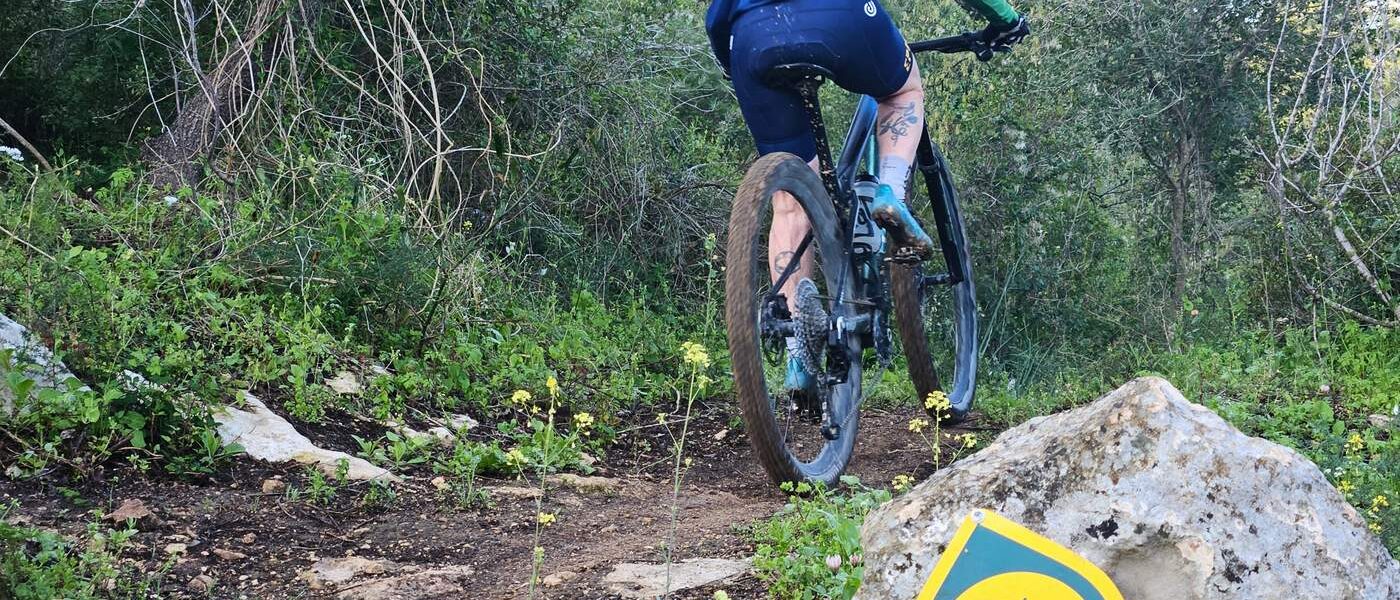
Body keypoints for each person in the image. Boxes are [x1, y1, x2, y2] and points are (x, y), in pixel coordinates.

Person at [706, 0, 1028, 398]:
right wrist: (1005, 19)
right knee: (902, 92)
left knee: (790, 204)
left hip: (751, 36)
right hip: (841, 17)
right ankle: (889, 191)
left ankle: (798, 356)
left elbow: (716, 17)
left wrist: (733, 59)